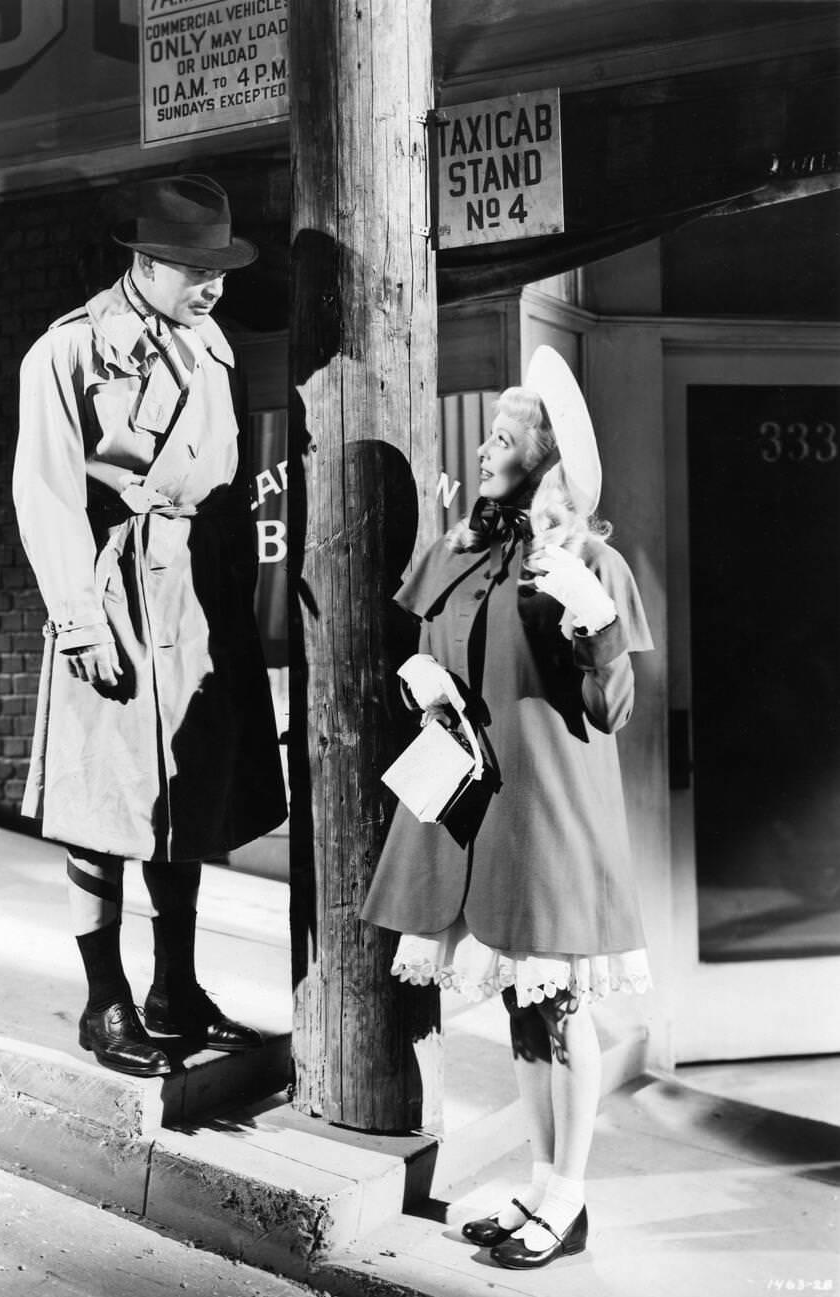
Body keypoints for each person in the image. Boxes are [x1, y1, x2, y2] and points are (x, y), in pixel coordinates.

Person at [362, 346, 653, 1271]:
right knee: (524, 1013)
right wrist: (421, 681)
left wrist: (596, 621)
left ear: (546, 459)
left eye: (503, 437)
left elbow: (612, 710)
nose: (485, 448)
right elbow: (435, 657)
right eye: (487, 435)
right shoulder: (466, 551)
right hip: (481, 813)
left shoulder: (588, 561)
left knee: (558, 1006)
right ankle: (540, 1186)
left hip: (553, 816)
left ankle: (569, 1197)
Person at [13, 174, 286, 1078]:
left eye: (220, 270)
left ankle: (177, 992)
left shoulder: (212, 343)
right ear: (145, 262)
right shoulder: (67, 352)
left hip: (198, 591)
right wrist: (80, 624)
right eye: (195, 270)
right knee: (104, 801)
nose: (213, 287)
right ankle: (105, 1003)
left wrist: (236, 599)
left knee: (187, 795)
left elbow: (228, 484)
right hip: (116, 588)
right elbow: (46, 493)